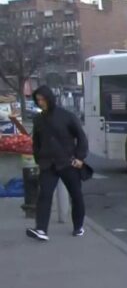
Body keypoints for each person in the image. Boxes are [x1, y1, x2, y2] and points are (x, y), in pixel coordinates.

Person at [26, 85, 89, 242]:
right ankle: (41, 229)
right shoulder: (38, 119)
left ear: (50, 99)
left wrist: (80, 157)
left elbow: (81, 137)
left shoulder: (66, 116)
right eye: (38, 100)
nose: (40, 103)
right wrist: (38, 159)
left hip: (68, 163)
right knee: (44, 195)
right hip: (48, 164)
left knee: (76, 195)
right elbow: (36, 142)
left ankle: (78, 226)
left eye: (43, 99)